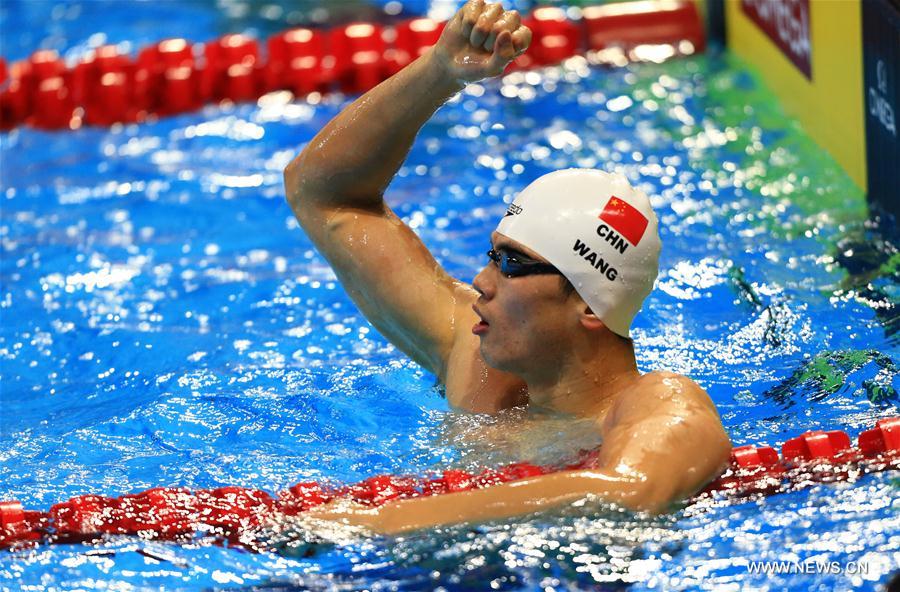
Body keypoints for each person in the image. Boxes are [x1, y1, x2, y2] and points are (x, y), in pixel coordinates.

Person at [281, 0, 731, 535]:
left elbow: (632, 490)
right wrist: (439, 72)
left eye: (513, 264)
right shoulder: (477, 365)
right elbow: (325, 195)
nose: (480, 280)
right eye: (493, 255)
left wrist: (380, 522)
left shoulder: (660, 404)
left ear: (588, 301)